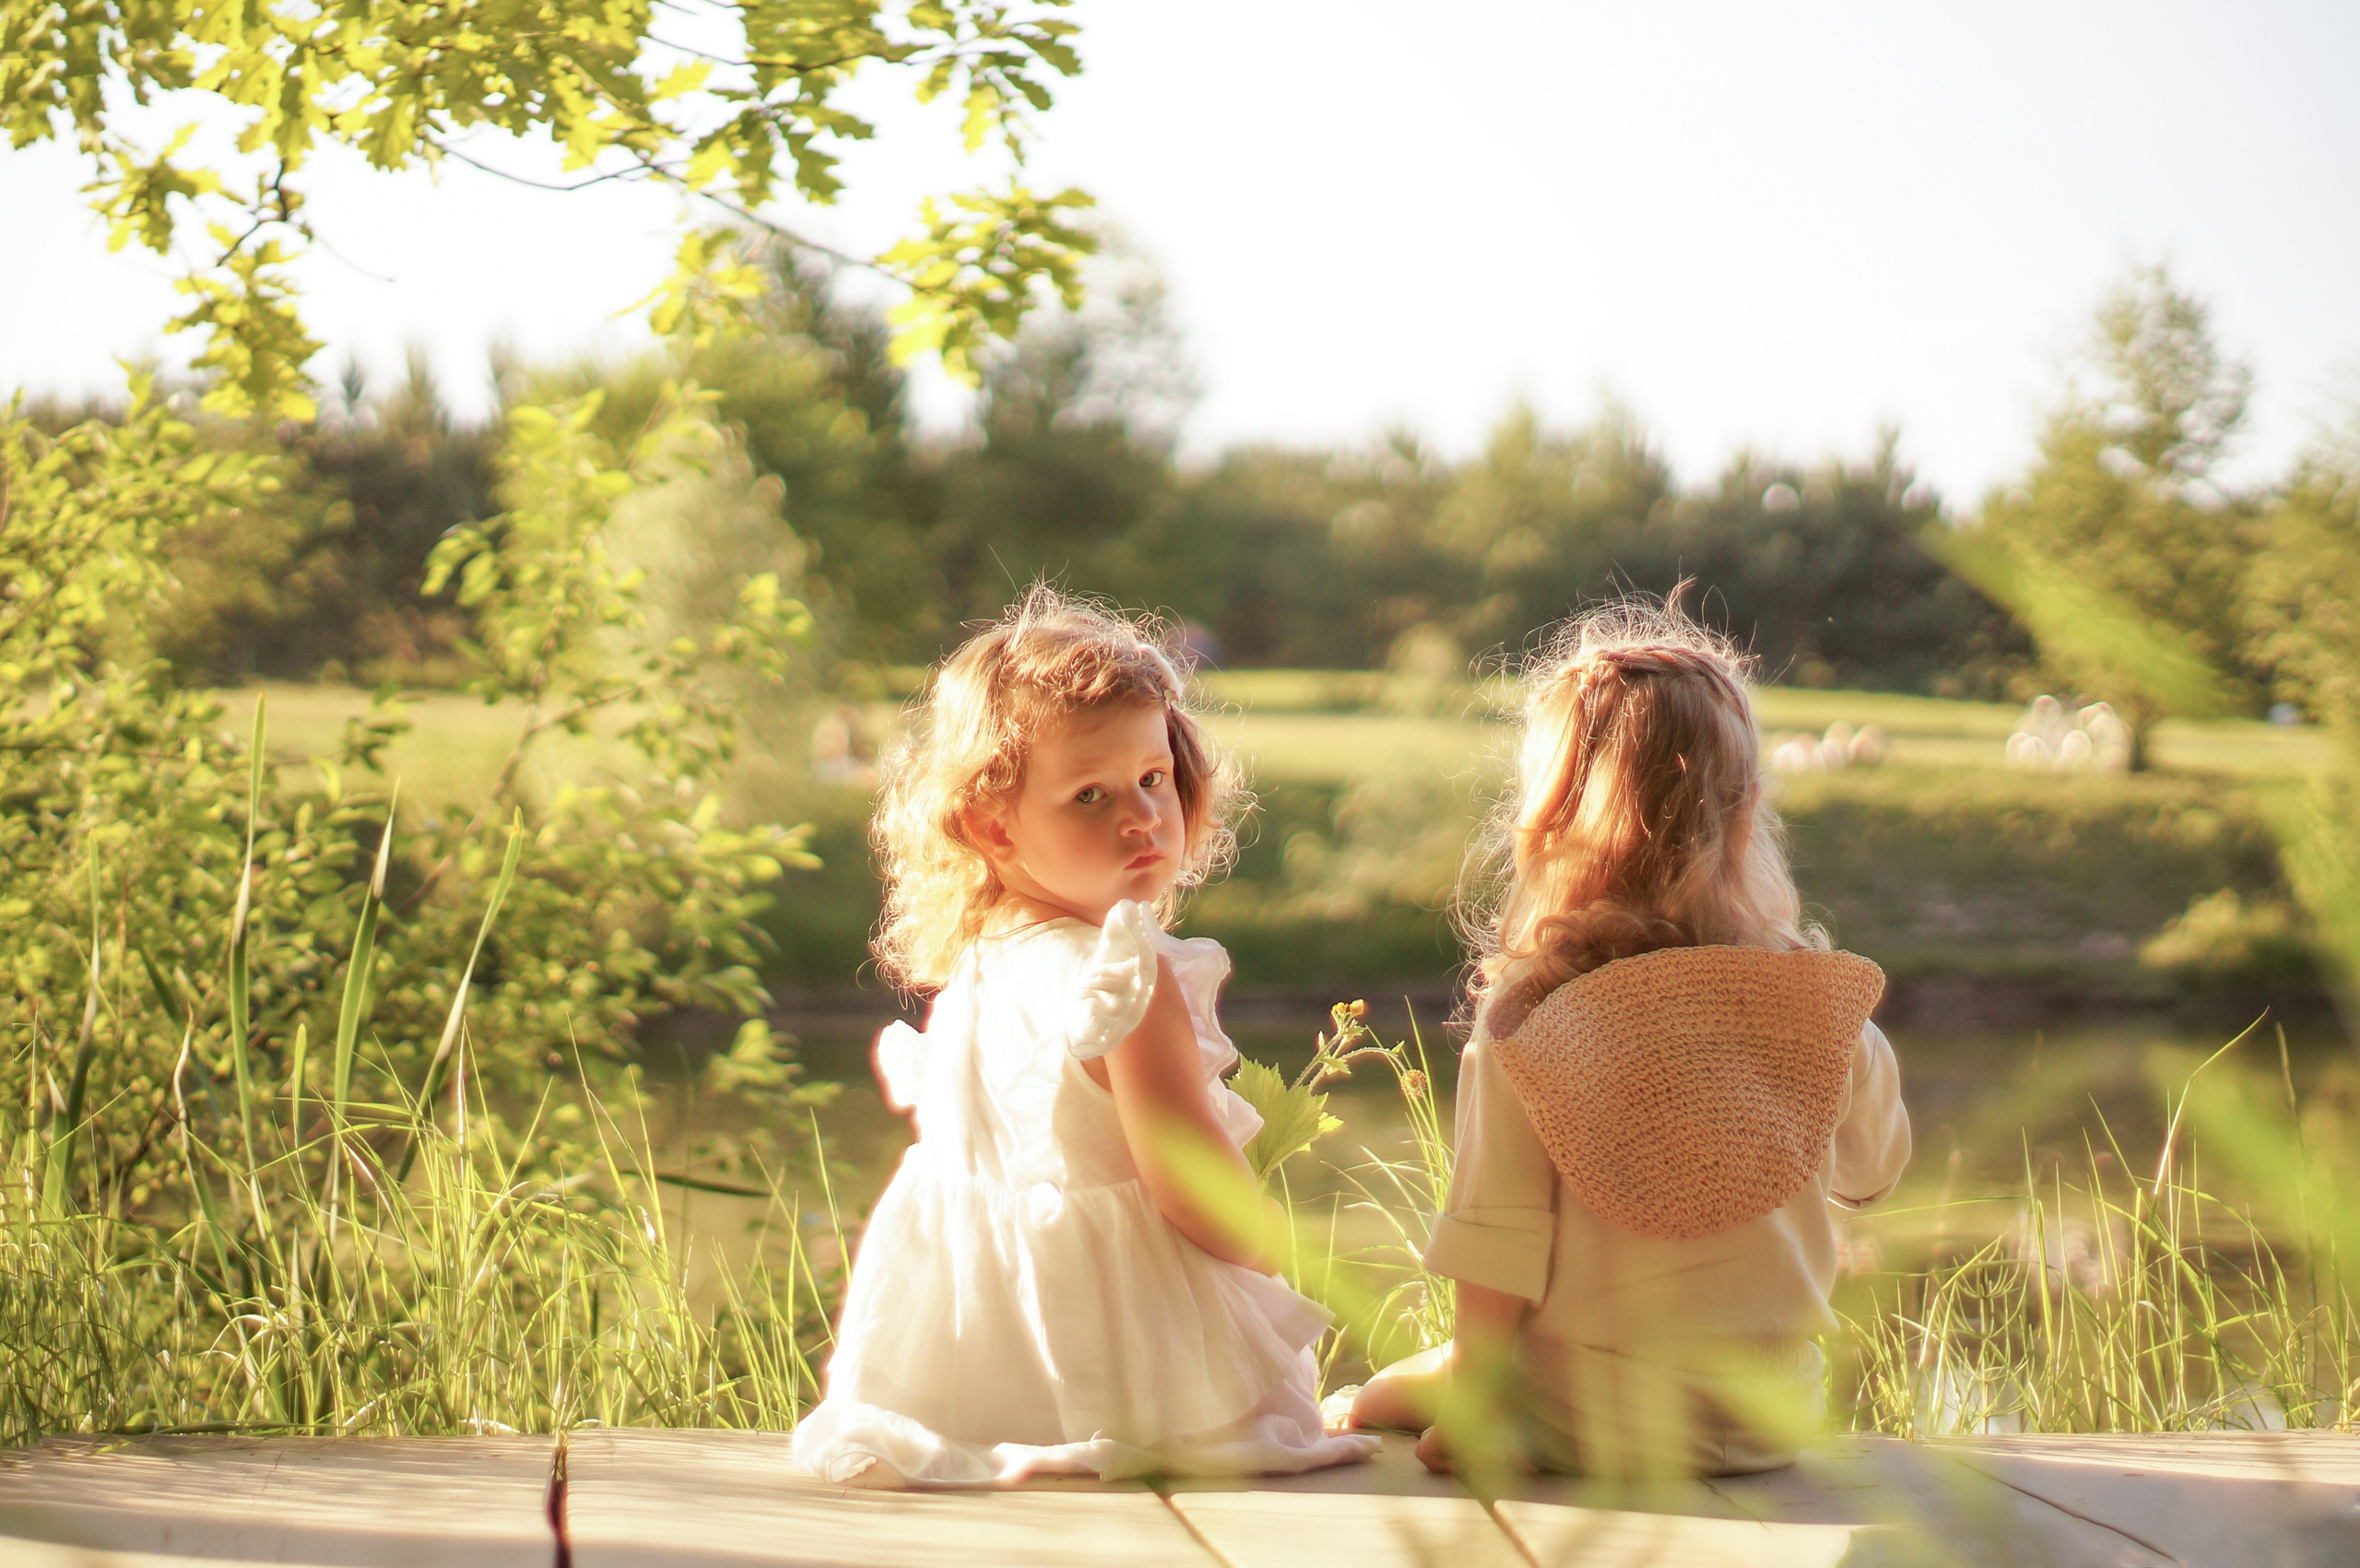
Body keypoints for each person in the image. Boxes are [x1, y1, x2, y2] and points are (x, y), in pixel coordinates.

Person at [793, 588, 1379, 1489]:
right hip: (1138, 1374)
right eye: (1090, 795)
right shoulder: (1124, 979)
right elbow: (1192, 1188)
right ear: (993, 825)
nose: (1142, 817)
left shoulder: (980, 969)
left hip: (978, 1370)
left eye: (1153, 779)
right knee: (1268, 1395)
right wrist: (1273, 1246)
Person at [1347, 597, 1910, 1478]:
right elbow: (1871, 1178)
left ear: (1549, 819)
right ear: (1744, 810)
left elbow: (1496, 1247)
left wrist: (1470, 1403)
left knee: (1376, 1397)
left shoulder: (1533, 1019)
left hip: (1587, 1416)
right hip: (1773, 1416)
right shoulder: (1819, 1013)